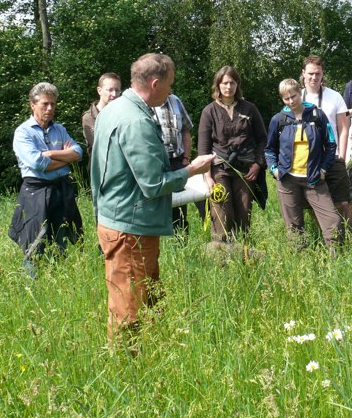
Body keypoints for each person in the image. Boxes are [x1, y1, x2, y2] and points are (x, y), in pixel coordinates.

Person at [91, 53, 214, 344]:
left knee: (146, 300)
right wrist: (191, 170)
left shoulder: (114, 108)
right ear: (155, 83)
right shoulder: (136, 121)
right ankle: (126, 372)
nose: (171, 91)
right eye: (169, 85)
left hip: (117, 219)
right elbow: (154, 184)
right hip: (129, 228)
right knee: (128, 310)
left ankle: (148, 358)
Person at [9, 82, 83, 276]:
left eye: (53, 104)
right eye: (45, 104)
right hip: (36, 192)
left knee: (62, 239)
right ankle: (32, 289)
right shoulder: (23, 132)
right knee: (34, 244)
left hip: (61, 190)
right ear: (32, 105)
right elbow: (39, 164)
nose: (50, 108)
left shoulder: (59, 129)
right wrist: (64, 157)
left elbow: (78, 153)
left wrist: (51, 154)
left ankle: (59, 281)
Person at [265, 78, 343, 249]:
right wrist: (275, 170)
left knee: (333, 221)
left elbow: (331, 144)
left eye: (294, 96)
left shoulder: (317, 115)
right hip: (288, 180)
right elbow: (269, 149)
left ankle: (336, 260)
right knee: (294, 227)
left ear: (300, 93)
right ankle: (300, 262)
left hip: (314, 179)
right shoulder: (278, 119)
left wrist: (323, 169)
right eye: (286, 98)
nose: (291, 101)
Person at [197, 66, 267, 241]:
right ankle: (221, 258)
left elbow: (262, 139)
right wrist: (207, 177)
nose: (228, 87)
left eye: (232, 83)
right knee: (222, 214)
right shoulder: (209, 111)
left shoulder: (249, 109)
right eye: (225, 83)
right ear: (218, 85)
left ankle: (244, 257)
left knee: (243, 216)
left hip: (245, 170)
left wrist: (258, 164)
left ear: (237, 85)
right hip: (219, 169)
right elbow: (203, 148)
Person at [301, 55, 351, 223]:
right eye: (310, 73)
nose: (314, 77)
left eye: (318, 73)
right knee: (315, 204)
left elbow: (343, 127)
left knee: (343, 202)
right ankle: (324, 237)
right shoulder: (296, 97)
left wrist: (342, 156)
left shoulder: (334, 96)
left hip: (333, 157)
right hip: (308, 160)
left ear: (322, 74)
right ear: (303, 74)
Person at [154, 92, 196, 230]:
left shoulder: (176, 100)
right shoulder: (145, 103)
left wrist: (186, 158)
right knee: (156, 208)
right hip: (156, 165)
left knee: (179, 211)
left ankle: (181, 245)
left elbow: (185, 130)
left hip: (177, 162)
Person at [82, 72, 122, 158]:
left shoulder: (123, 113)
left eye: (117, 90)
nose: (114, 94)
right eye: (110, 90)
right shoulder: (89, 117)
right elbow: (101, 145)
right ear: (99, 90)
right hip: (100, 167)